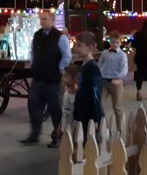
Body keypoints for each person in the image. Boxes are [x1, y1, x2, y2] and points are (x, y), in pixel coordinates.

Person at [20, 10, 71, 147]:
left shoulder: (60, 37)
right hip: (38, 78)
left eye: (45, 19)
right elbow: (33, 52)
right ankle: (34, 135)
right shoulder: (37, 35)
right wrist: (33, 64)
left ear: (52, 21)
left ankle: (58, 137)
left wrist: (60, 69)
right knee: (34, 105)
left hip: (53, 80)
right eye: (41, 19)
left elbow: (67, 55)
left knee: (55, 110)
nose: (42, 22)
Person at [72, 31, 104, 142]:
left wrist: (95, 118)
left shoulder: (92, 68)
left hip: (89, 114)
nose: (76, 48)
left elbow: (95, 94)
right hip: (83, 111)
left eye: (79, 45)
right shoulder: (84, 66)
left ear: (90, 47)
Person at [98, 31, 128, 133]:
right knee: (99, 104)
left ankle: (120, 129)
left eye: (116, 42)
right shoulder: (105, 53)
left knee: (117, 107)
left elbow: (124, 68)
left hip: (116, 83)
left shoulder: (122, 55)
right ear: (109, 42)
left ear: (120, 43)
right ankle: (101, 126)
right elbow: (99, 65)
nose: (114, 44)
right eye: (112, 42)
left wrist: (119, 78)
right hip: (104, 82)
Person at [60, 65, 80, 139]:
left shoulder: (79, 93)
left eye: (66, 76)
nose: (63, 78)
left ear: (74, 78)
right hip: (65, 126)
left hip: (75, 127)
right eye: (62, 76)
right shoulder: (65, 90)